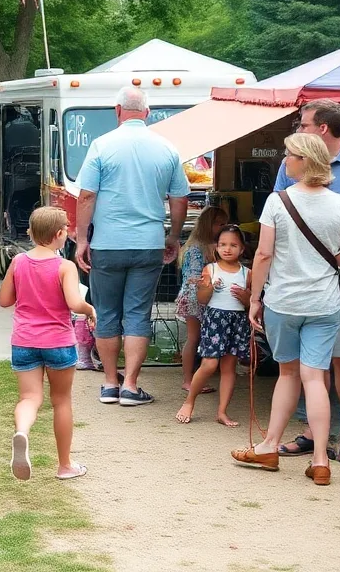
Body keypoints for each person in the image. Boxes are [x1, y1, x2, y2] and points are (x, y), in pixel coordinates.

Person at [232, 133, 340, 486]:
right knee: (316, 377)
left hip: (284, 301)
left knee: (288, 374)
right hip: (326, 302)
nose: (285, 159)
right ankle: (319, 460)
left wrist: (255, 298)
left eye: (290, 154)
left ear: (305, 161)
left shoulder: (277, 202)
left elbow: (264, 254)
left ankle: (269, 446)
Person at [75, 86, 189, 408]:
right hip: (147, 244)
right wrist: (174, 236)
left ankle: (110, 383)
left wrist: (83, 240)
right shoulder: (167, 148)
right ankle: (131, 385)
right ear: (148, 113)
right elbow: (179, 198)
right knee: (138, 314)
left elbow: (86, 196)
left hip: (108, 244)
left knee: (107, 312)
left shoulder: (101, 146)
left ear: (117, 111)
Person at [272, 99, 340, 462]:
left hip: (335, 284)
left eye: (302, 125)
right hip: (319, 289)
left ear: (321, 129)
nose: (298, 130)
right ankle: (313, 438)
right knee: (312, 369)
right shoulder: (288, 174)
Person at [0, 206, 95, 481]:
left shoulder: (18, 262)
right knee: (61, 401)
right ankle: (65, 465)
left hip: (24, 340)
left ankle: (22, 432)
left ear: (31, 232)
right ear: (60, 233)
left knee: (30, 398)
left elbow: (5, 300)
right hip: (58, 342)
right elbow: (74, 303)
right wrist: (89, 310)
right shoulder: (65, 267)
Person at [176, 225, 253, 426]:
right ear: (216, 247)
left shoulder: (248, 273)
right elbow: (202, 300)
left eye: (233, 245)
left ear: (242, 249)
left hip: (237, 321)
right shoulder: (210, 269)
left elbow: (250, 304)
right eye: (223, 244)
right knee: (209, 364)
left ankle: (222, 411)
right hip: (215, 320)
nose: (227, 249)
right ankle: (189, 401)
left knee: (229, 367)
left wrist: (246, 298)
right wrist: (206, 288)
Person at [175, 206, 231, 392]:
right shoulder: (196, 249)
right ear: (209, 225)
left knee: (200, 337)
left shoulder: (206, 246)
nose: (224, 227)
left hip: (204, 296)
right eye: (220, 224)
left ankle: (197, 376)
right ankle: (188, 380)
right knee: (193, 338)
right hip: (195, 298)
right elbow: (193, 279)